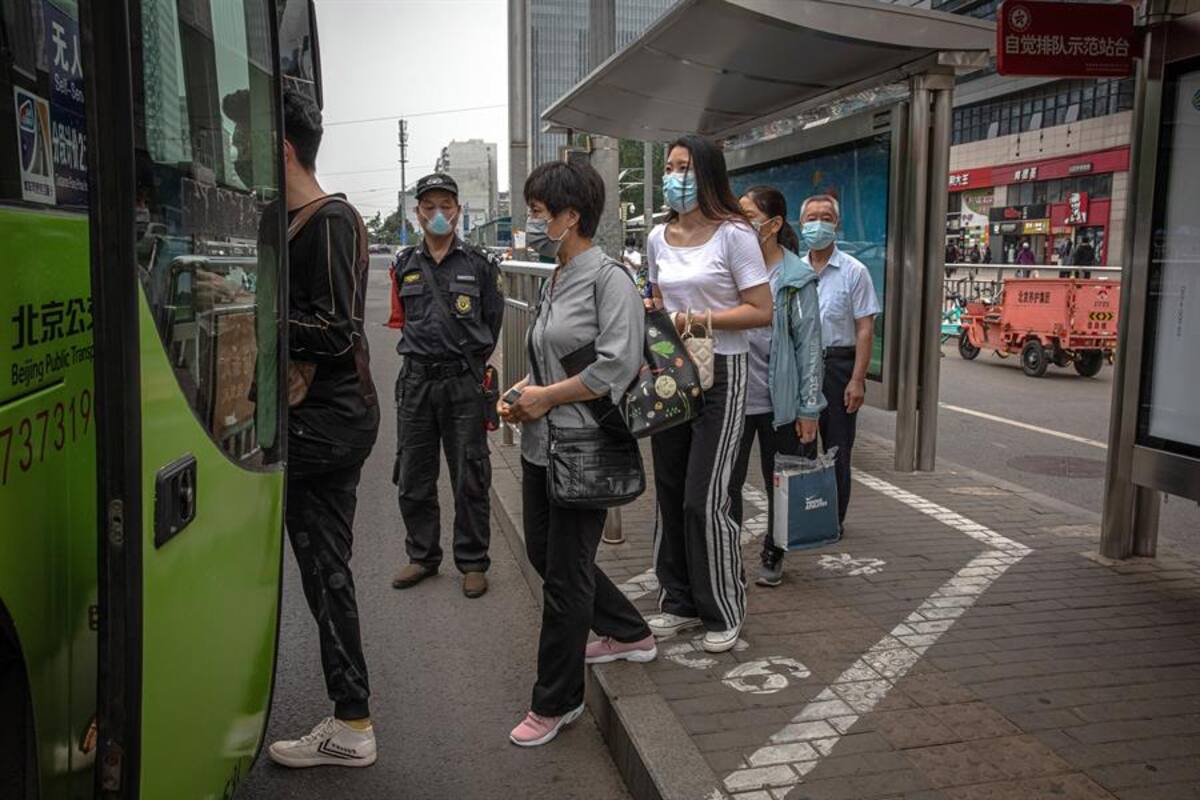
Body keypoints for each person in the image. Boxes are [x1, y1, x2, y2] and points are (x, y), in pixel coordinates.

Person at [499, 161, 654, 747]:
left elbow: (615, 364)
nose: (533, 219)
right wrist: (524, 396)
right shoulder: (554, 275)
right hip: (545, 444)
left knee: (564, 578)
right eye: (532, 208)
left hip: (585, 446)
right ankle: (628, 630)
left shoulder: (608, 278)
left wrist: (545, 399)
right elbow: (545, 352)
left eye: (541, 211)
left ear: (572, 216)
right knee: (545, 553)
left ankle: (556, 701)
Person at [267, 90, 381, 768]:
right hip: (319, 420)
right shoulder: (296, 221)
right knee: (323, 570)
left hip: (328, 423)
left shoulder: (330, 220)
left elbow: (338, 332)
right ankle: (352, 718)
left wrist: (250, 315)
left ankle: (354, 721)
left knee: (325, 569)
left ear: (281, 149)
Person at [645, 135, 773, 654]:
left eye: (685, 167)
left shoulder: (734, 235)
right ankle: (678, 601)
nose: (675, 176)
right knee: (671, 491)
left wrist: (698, 319)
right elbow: (655, 296)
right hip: (670, 367)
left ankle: (723, 605)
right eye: (670, 166)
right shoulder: (658, 237)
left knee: (706, 498)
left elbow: (760, 309)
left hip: (723, 368)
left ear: (708, 175)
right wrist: (657, 319)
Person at [391, 173, 504, 598]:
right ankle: (422, 556)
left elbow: (491, 323)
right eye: (428, 207)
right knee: (414, 475)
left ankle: (473, 561)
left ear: (458, 210)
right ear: (417, 213)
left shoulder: (478, 264)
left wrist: (469, 363)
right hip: (417, 382)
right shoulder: (405, 264)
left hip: (462, 382)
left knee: (470, 475)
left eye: (446, 206)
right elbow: (402, 315)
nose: (438, 214)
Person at [730, 186, 825, 588]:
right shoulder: (730, 266)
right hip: (733, 397)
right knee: (725, 484)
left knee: (780, 482)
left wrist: (809, 409)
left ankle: (774, 549)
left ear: (772, 224)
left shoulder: (794, 277)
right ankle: (726, 551)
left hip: (779, 402)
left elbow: (809, 347)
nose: (740, 222)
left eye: (747, 215)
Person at [799, 194, 881, 531]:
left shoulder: (854, 271)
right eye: (811, 218)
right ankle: (802, 514)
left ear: (837, 224)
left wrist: (857, 378)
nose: (818, 224)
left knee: (837, 448)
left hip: (838, 366)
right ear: (801, 224)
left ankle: (834, 519)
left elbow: (865, 328)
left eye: (826, 217)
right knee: (800, 445)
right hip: (802, 366)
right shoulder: (794, 270)